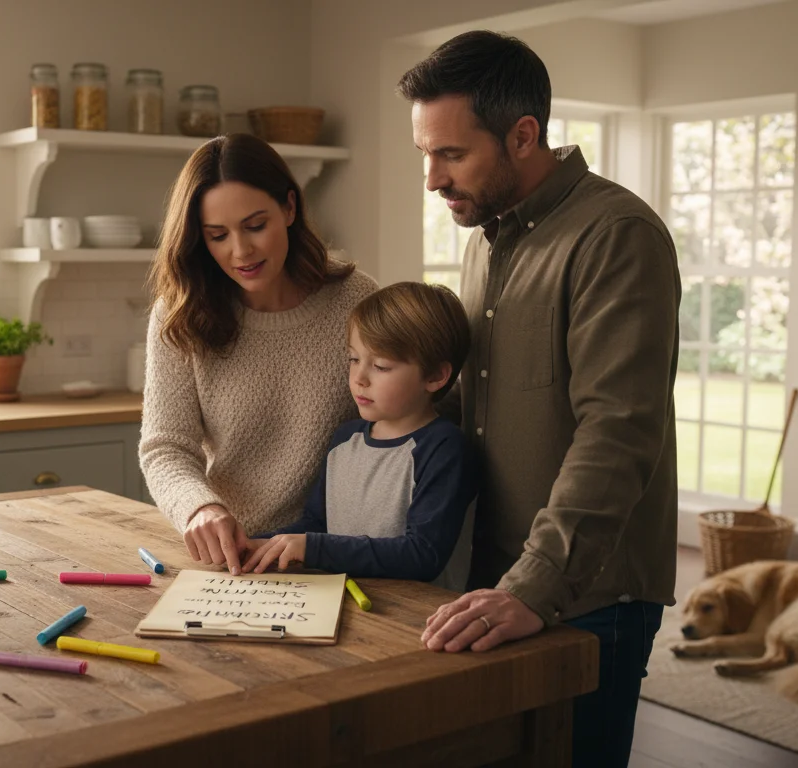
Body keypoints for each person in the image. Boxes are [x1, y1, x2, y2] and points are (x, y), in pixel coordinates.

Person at [398, 31, 681, 767]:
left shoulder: (616, 234)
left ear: (524, 135)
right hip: (497, 578)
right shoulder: (482, 239)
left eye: (451, 154)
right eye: (425, 154)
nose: (432, 178)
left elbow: (618, 431)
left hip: (588, 593)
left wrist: (536, 584)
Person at [139, 133, 378, 576]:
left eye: (255, 225)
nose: (240, 251)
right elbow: (165, 447)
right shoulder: (179, 314)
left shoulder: (355, 300)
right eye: (217, 235)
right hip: (236, 558)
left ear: (289, 208)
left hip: (339, 554)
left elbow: (410, 415)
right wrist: (199, 508)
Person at [243, 282, 477, 590]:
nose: (359, 378)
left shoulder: (444, 449)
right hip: (342, 607)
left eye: (380, 366)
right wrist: (258, 545)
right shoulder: (345, 439)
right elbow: (316, 524)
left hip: (415, 621)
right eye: (354, 359)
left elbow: (423, 554)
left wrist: (313, 548)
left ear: (435, 376)